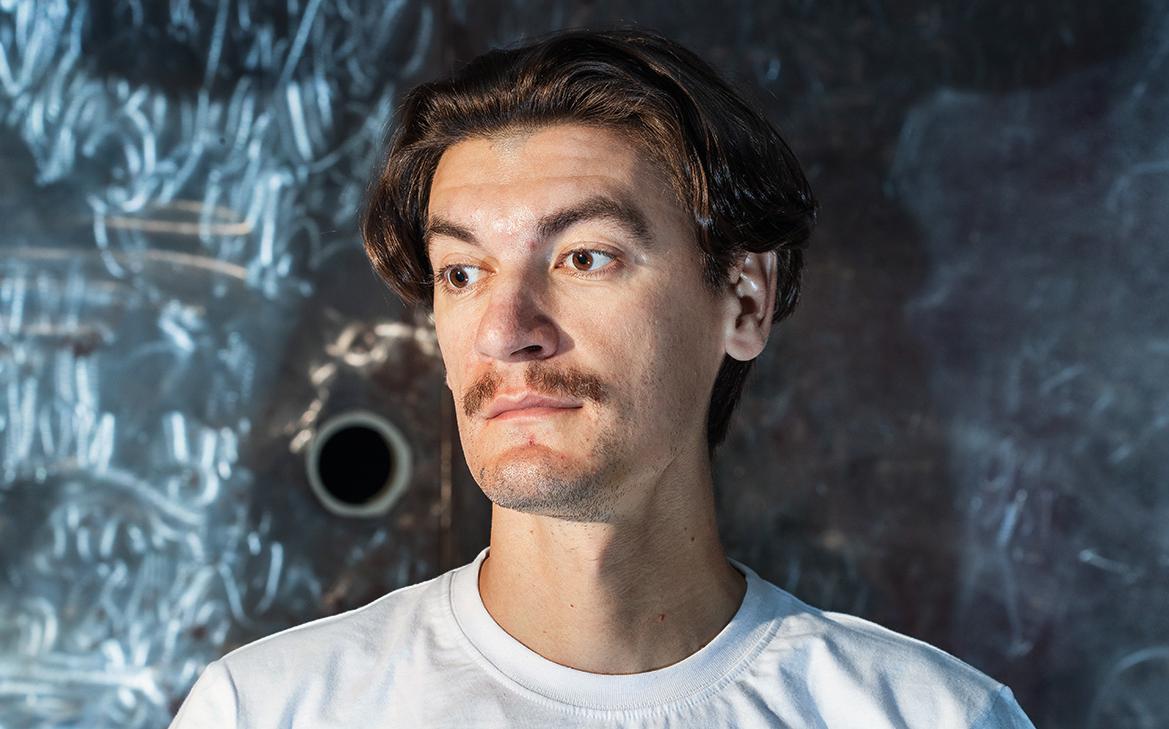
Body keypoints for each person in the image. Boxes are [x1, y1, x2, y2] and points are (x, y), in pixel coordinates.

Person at [170, 28, 1035, 728]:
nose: (505, 331)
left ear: (743, 300)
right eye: (462, 273)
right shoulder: (269, 710)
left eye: (584, 257)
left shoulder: (929, 717)